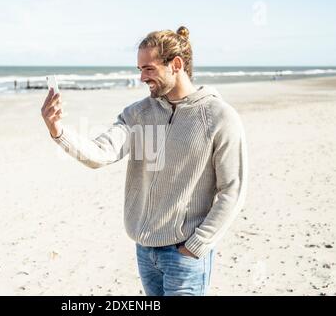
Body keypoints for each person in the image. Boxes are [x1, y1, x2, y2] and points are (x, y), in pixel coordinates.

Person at [40, 26, 248, 296]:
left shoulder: (220, 117)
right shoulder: (137, 114)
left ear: (175, 64)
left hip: (185, 255)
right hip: (144, 251)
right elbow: (100, 154)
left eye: (148, 69)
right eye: (139, 69)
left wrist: (197, 244)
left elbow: (233, 189)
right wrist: (57, 129)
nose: (141, 78)